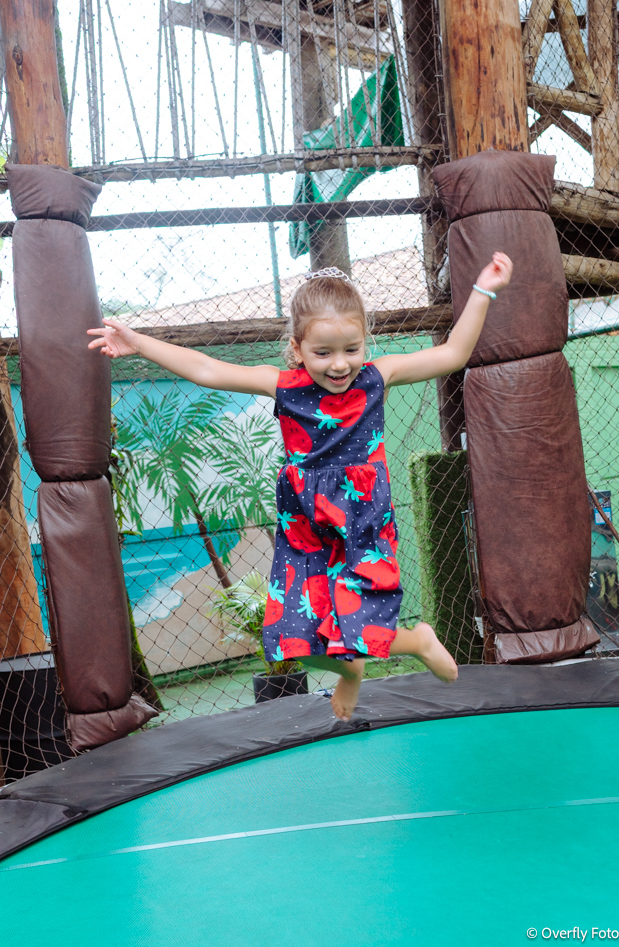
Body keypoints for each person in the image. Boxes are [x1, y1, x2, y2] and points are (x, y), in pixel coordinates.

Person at [88, 252, 512, 721]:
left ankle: (417, 640)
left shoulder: (377, 378)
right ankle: (350, 673)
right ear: (297, 348)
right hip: (304, 528)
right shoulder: (284, 387)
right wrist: (140, 342)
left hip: (360, 524)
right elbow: (206, 369)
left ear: (365, 343)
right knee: (294, 637)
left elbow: (453, 353)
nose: (339, 365)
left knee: (361, 627)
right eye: (323, 353)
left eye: (351, 349)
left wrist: (483, 290)